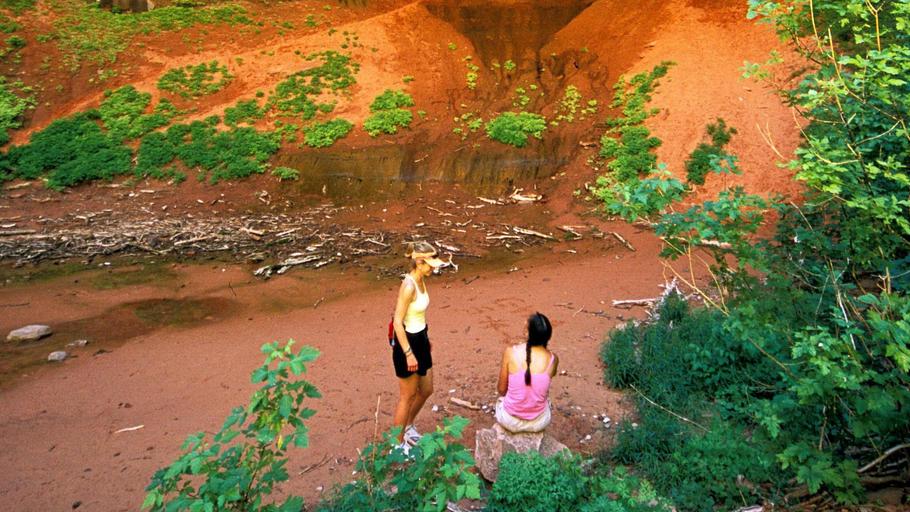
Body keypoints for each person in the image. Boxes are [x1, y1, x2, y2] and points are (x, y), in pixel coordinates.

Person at [390, 241, 449, 454]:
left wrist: (426, 338)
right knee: (407, 396)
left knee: (426, 389)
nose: (433, 268)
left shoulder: (422, 280)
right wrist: (409, 353)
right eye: (430, 264)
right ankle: (396, 444)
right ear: (419, 261)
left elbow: (417, 315)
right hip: (408, 344)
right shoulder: (408, 286)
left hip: (421, 338)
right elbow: (398, 322)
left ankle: (407, 427)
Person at [495, 312, 558, 433]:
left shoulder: (510, 352)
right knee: (546, 402)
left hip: (509, 421)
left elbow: (502, 390)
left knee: (502, 401)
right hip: (538, 422)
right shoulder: (553, 359)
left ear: (527, 333)